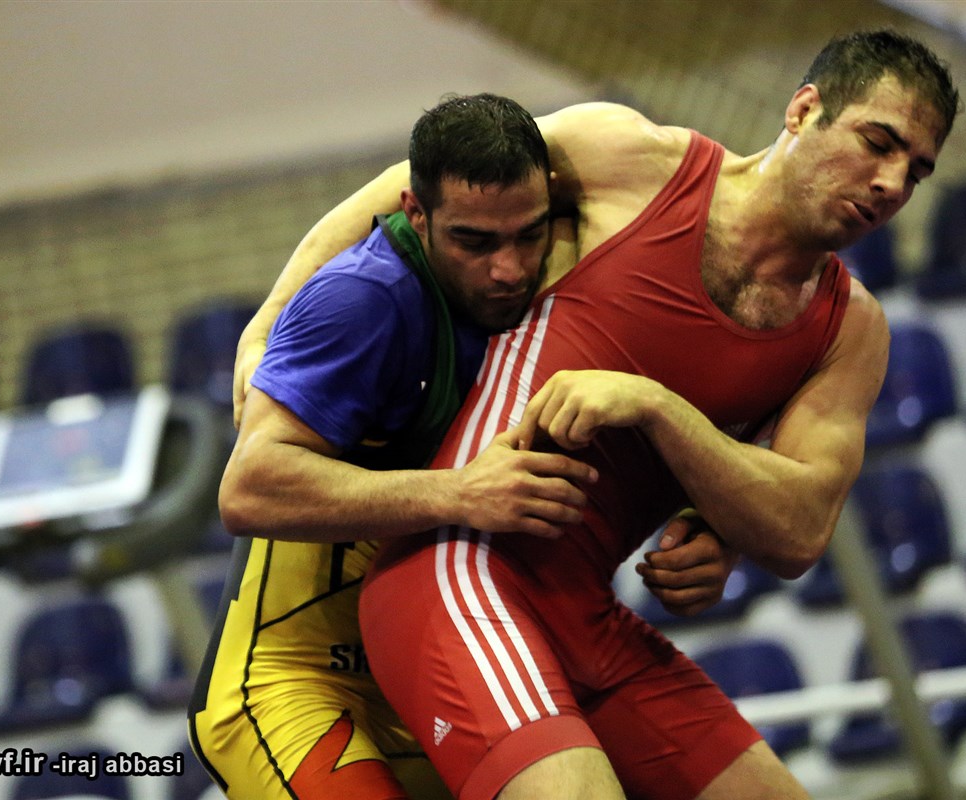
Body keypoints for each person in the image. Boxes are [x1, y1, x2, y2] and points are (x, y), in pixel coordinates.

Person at [243, 29, 959, 800]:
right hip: (459, 576)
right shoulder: (631, 159)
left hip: (586, 615)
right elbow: (409, 186)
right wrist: (269, 325)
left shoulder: (850, 330)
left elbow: (798, 533)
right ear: (804, 109)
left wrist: (665, 425)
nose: (891, 183)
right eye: (877, 143)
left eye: (916, 170)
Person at [189, 94, 737, 800]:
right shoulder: (365, 298)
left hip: (428, 680)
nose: (508, 268)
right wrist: (461, 492)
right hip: (297, 687)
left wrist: (712, 526)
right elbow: (249, 487)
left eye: (528, 235)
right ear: (416, 216)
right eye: (474, 243)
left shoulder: (561, 279)